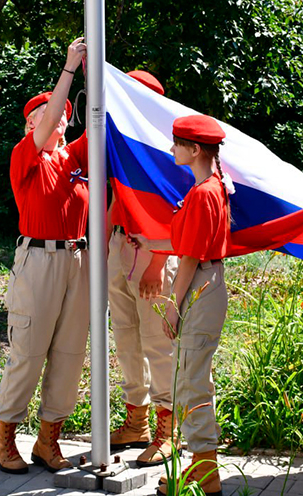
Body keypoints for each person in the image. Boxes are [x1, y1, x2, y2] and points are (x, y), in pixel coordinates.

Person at [0, 37, 89, 474]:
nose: (54, 122)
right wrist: (68, 69)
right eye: (43, 117)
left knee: (69, 355)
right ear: (30, 125)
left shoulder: (75, 160)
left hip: (78, 262)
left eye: (63, 117)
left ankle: (49, 441)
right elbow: (49, 120)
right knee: (28, 353)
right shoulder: (24, 157)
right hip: (39, 263)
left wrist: (93, 73)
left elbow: (108, 128)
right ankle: (4, 435)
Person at [129, 114, 231, 496]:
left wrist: (173, 306)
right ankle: (203, 466)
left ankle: (205, 470)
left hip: (200, 284)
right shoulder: (210, 186)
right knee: (193, 377)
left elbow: (190, 257)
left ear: (195, 150)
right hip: (206, 280)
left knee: (192, 380)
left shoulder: (205, 191)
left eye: (177, 144)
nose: (172, 149)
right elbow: (189, 242)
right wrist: (153, 247)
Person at [108, 70, 180, 467]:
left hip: (152, 252)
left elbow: (172, 211)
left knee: (158, 343)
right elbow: (116, 199)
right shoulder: (122, 143)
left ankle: (168, 428)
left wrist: (157, 261)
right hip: (121, 244)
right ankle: (136, 421)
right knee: (125, 338)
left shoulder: (164, 149)